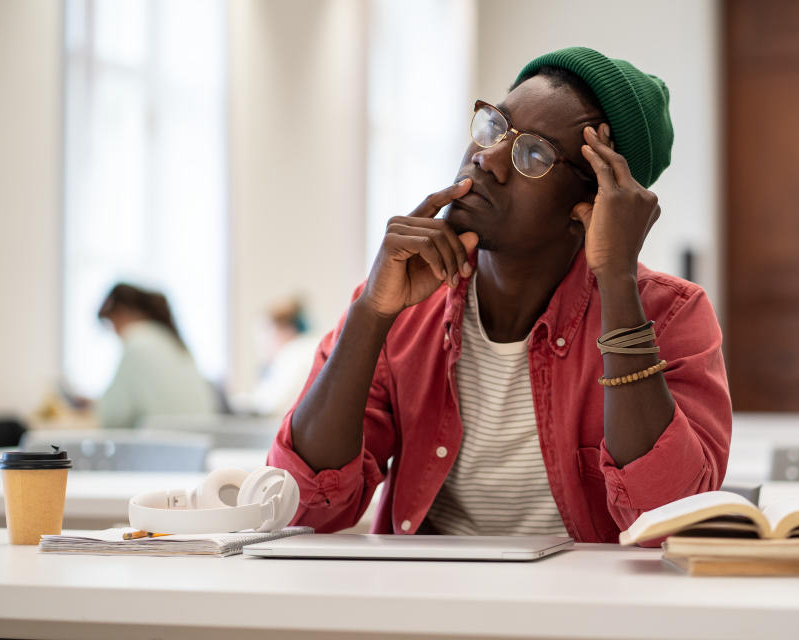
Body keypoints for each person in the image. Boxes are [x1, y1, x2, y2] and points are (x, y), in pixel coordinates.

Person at [269, 47, 732, 541]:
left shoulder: (669, 314)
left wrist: (617, 280)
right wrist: (370, 313)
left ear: (593, 204)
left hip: (590, 614)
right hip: (424, 608)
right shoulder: (405, 303)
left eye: (532, 154)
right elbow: (302, 506)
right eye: (494, 128)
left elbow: (667, 517)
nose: (486, 159)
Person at [95, 283, 218, 429]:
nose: (114, 331)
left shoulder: (137, 342)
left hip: (159, 446)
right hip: (194, 446)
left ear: (123, 312)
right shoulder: (173, 342)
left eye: (111, 322)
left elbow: (112, 417)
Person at [231, 297, 319, 416]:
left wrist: (236, 403)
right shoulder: (311, 347)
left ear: (286, 331)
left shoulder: (293, 353)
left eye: (264, 335)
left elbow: (271, 407)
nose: (261, 345)